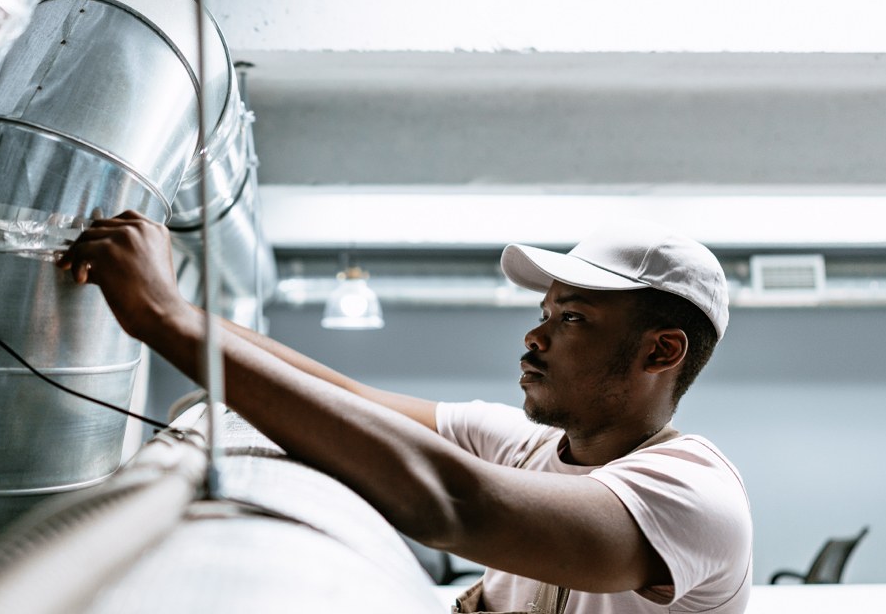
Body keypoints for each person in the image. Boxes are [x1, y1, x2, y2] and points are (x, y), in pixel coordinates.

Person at [58, 212, 752, 614]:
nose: (534, 337)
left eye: (571, 319)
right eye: (544, 313)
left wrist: (162, 318)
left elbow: (457, 505)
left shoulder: (693, 495)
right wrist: (174, 308)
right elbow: (347, 398)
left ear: (661, 351)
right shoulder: (525, 447)